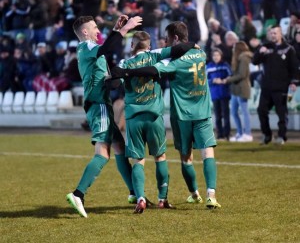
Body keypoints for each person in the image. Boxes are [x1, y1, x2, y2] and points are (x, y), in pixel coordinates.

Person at [111, 21, 221, 209]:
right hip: (193, 112)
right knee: (200, 153)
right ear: (149, 45)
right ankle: (201, 195)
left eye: (167, 38)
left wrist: (124, 73)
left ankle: (144, 198)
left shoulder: (167, 62)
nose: (165, 41)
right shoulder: (200, 54)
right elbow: (163, 60)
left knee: (164, 159)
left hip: (168, 116)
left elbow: (117, 83)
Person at [66, 14, 143, 218]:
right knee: (103, 153)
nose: (98, 31)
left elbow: (106, 47)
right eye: (94, 28)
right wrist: (125, 28)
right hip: (98, 104)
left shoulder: (90, 49)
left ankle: (134, 193)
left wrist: (116, 30)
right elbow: (107, 48)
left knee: (120, 147)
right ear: (85, 32)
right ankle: (78, 194)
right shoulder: (86, 47)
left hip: (103, 104)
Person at [114, 30, 197, 213]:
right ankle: (162, 199)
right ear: (149, 46)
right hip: (154, 116)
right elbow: (179, 48)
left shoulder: (124, 63)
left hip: (133, 118)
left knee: (138, 161)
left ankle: (141, 197)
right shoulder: (156, 54)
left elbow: (112, 84)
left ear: (132, 46)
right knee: (160, 157)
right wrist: (193, 44)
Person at [252, 25, 298, 145]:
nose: (273, 35)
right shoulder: (265, 47)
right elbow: (254, 61)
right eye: (271, 33)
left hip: (281, 87)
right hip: (266, 87)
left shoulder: (288, 49)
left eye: (275, 33)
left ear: (280, 33)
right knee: (261, 110)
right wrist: (259, 52)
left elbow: (294, 68)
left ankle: (281, 136)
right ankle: (267, 134)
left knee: (281, 113)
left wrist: (293, 82)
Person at [223, 41, 253, 142]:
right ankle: (240, 133)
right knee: (234, 112)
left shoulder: (244, 58)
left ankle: (248, 134)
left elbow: (242, 75)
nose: (232, 49)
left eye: (234, 47)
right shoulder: (239, 58)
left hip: (242, 88)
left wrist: (228, 79)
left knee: (244, 112)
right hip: (236, 89)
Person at [206, 48, 232, 141]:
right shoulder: (208, 66)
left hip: (224, 93)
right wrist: (213, 80)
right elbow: (205, 80)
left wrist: (225, 80)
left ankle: (227, 134)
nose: (216, 57)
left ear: (221, 56)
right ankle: (220, 134)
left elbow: (230, 76)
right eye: (214, 55)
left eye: (217, 55)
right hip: (215, 94)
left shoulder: (225, 65)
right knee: (217, 115)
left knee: (226, 115)